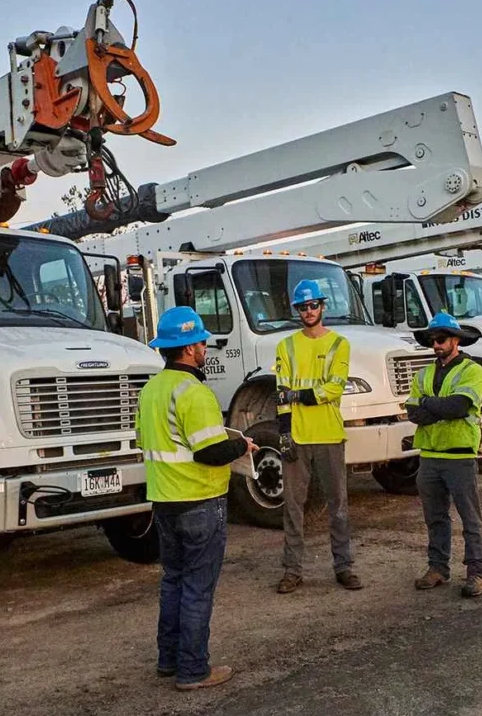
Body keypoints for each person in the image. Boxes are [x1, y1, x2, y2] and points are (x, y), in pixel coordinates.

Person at [137, 306, 257, 691]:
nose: (206, 347)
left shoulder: (151, 391)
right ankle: (193, 670)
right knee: (197, 588)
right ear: (189, 348)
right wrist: (240, 444)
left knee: (173, 580)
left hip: (164, 501)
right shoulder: (196, 392)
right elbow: (208, 451)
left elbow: (149, 442)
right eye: (202, 341)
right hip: (200, 501)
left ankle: (168, 660)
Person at [274, 279, 362, 594]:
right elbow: (281, 394)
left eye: (313, 305)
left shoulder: (339, 344)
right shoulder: (285, 346)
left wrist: (299, 394)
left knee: (338, 506)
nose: (309, 311)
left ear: (322, 306)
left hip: (329, 436)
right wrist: (284, 433)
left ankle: (344, 567)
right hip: (297, 436)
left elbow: (334, 388)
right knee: (293, 507)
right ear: (297, 310)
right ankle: (292, 571)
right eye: (303, 307)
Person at [405, 312, 482, 597]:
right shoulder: (424, 373)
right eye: (432, 340)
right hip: (429, 457)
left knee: (470, 518)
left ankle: (476, 573)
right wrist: (436, 407)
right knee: (435, 517)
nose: (436, 345)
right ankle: (438, 568)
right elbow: (413, 412)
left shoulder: (472, 370)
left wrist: (429, 404)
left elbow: (461, 406)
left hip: (460, 456)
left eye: (441, 339)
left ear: (455, 340)